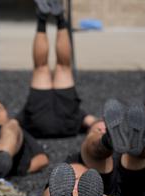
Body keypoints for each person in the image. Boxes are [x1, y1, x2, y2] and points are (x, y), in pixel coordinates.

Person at [16, 0, 96, 138]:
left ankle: (48, 18)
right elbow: (95, 123)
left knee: (53, 67)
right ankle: (57, 18)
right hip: (65, 124)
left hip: (42, 122)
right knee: (52, 67)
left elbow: (9, 124)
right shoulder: (81, 119)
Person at [66, 99, 145, 196]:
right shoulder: (78, 157)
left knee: (138, 157)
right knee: (92, 150)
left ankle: (141, 141)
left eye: (107, 129)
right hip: (103, 187)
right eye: (99, 130)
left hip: (133, 187)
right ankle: (109, 140)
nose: (103, 129)